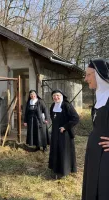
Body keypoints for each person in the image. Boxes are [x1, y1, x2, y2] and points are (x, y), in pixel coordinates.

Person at [82, 58, 109, 200]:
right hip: (94, 153)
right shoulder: (99, 97)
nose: (86, 79)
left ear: (98, 74)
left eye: (88, 74)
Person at [48, 89, 79, 178]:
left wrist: (65, 127)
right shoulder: (53, 105)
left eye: (57, 95)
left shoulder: (66, 105)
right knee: (55, 150)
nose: (55, 97)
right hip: (55, 133)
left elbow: (75, 118)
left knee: (63, 152)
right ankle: (55, 169)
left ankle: (63, 171)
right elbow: (52, 117)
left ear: (62, 96)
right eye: (54, 96)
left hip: (64, 134)